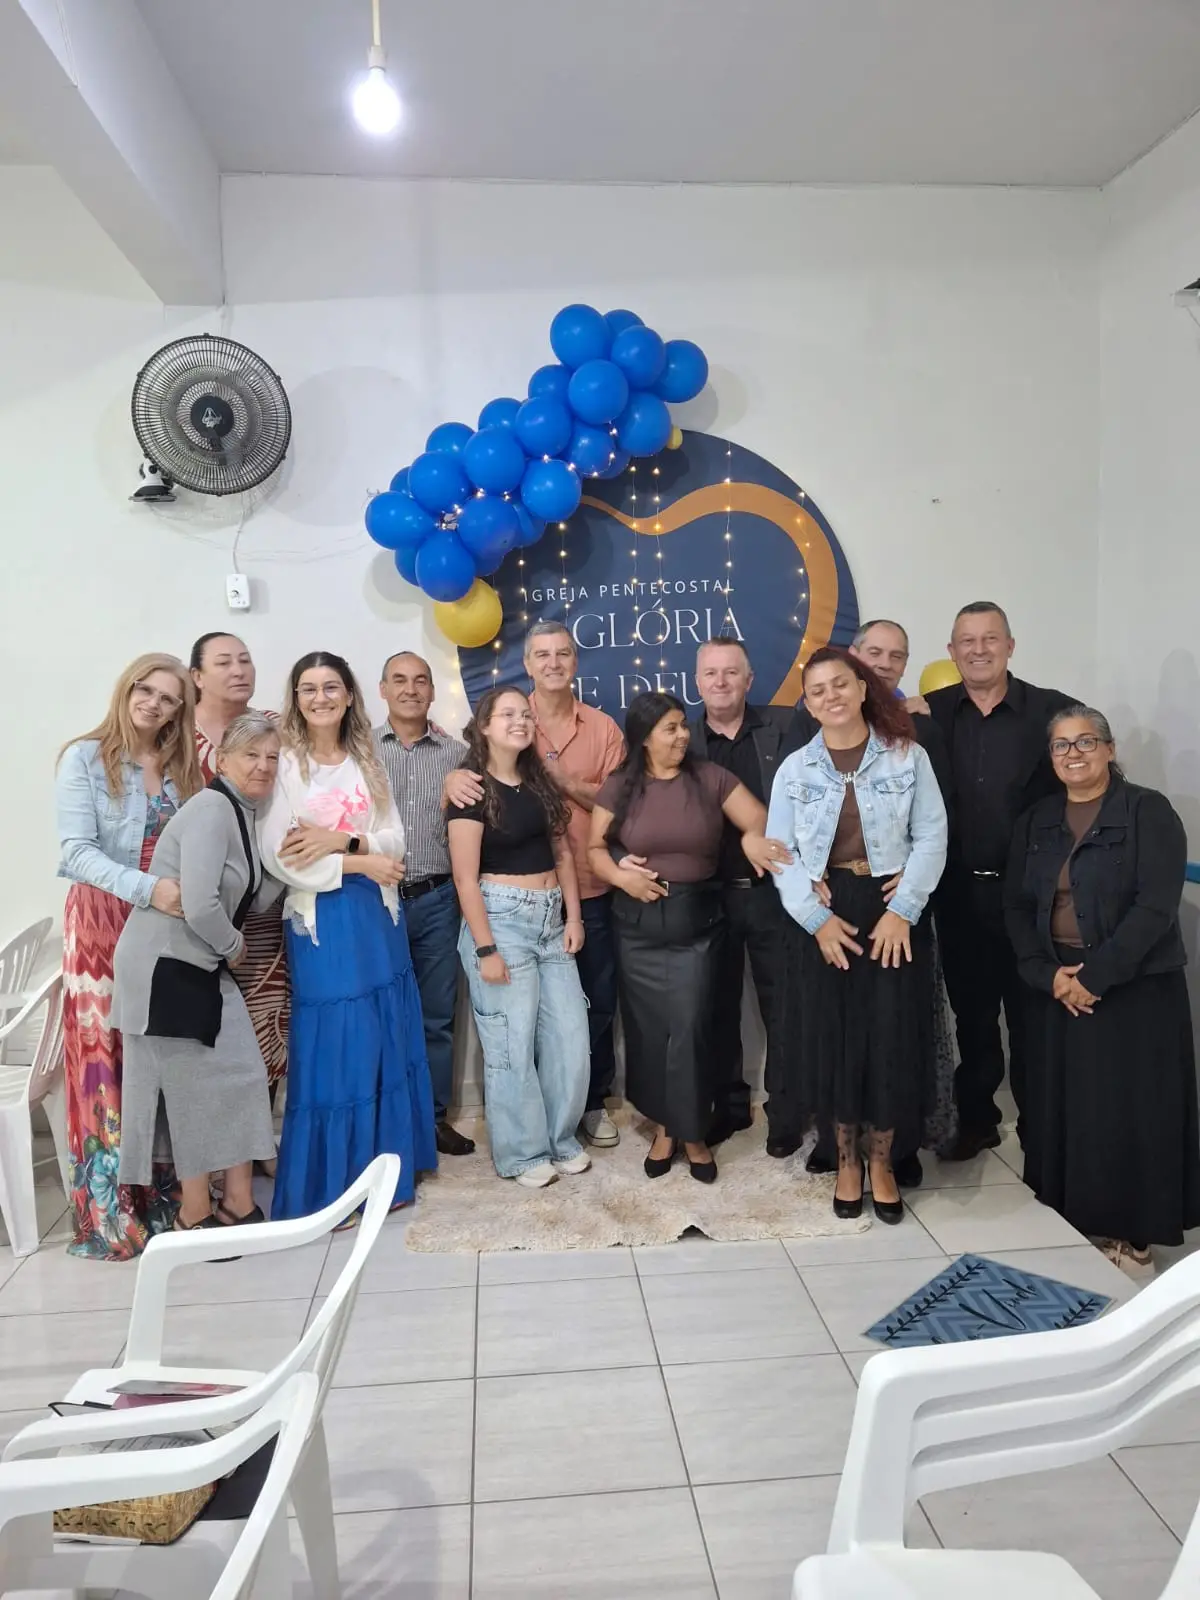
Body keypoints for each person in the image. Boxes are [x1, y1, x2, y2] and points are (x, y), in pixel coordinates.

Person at [1005, 707, 1200, 1269]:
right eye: (1062, 745)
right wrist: (1047, 974)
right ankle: (1079, 1222)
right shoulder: (1037, 820)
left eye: (1086, 742)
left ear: (1110, 750)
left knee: (1130, 1113)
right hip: (1057, 985)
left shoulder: (1147, 811)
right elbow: (1016, 905)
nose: (1074, 754)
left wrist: (1093, 978)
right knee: (1070, 1112)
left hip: (1134, 989)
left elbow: (1155, 907)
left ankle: (1134, 1236)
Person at [768, 648, 947, 1223]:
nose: (831, 697)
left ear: (863, 687)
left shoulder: (907, 756)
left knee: (890, 1038)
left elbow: (932, 836)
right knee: (836, 1040)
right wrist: (815, 920)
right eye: (817, 690)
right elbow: (780, 854)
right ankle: (845, 1160)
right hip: (827, 914)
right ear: (807, 702)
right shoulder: (795, 769)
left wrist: (906, 909)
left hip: (892, 909)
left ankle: (883, 1161)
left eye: (840, 684)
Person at [258, 651, 437, 1220]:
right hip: (323, 922)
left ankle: (388, 1175)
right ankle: (333, 1184)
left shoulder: (366, 757)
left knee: (382, 1037)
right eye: (309, 688)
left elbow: (396, 841)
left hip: (377, 916)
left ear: (350, 695)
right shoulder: (286, 766)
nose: (321, 698)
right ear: (296, 698)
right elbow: (281, 855)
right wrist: (361, 860)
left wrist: (342, 842)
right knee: (340, 1043)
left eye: (331, 687)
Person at [588, 692, 781, 1184]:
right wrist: (621, 877)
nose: (682, 736)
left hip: (698, 926)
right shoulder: (620, 786)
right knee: (649, 1033)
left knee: (691, 1031)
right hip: (636, 929)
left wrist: (752, 837)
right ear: (644, 737)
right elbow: (594, 849)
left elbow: (757, 817)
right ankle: (665, 1129)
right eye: (670, 728)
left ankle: (693, 1133)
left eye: (683, 726)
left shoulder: (710, 777)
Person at [445, 621, 625, 1148]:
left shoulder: (596, 734)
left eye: (562, 653)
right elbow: (465, 866)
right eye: (542, 655)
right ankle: (526, 1143)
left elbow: (612, 809)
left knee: (584, 1019)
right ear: (527, 665)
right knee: (515, 1035)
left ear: (575, 661)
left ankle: (579, 1118)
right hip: (506, 912)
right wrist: (485, 947)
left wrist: (564, 782)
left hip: (581, 897)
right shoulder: (488, 757)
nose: (553, 663)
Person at [55, 653, 203, 1259]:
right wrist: (148, 890)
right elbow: (75, 852)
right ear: (127, 688)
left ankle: (160, 1196)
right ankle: (110, 1212)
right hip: (101, 924)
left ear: (178, 711)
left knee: (155, 1059)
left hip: (161, 928)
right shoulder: (84, 758)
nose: (153, 704)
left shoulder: (181, 768)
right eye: (146, 690)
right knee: (103, 1063)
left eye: (168, 699)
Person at [112, 713, 281, 1229]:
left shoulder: (244, 814)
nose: (263, 765)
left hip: (198, 961)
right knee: (191, 1093)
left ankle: (237, 1202)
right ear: (222, 760)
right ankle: (194, 1212)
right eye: (251, 755)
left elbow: (249, 898)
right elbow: (201, 904)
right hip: (165, 965)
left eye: (272, 757)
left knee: (243, 1076)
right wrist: (235, 948)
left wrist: (289, 862)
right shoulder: (211, 808)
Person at [925, 603, 1074, 1159]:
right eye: (967, 641)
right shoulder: (931, 713)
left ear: (1011, 645)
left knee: (1035, 1017)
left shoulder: (1054, 712)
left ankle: (1043, 1129)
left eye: (990, 638)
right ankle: (978, 1119)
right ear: (951, 652)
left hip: (1033, 899)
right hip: (959, 894)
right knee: (973, 1017)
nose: (979, 649)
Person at [447, 686, 591, 1187]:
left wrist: (574, 918)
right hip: (500, 921)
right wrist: (486, 947)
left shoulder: (539, 784)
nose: (520, 721)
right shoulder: (470, 789)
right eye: (507, 714)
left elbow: (563, 854)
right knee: (511, 1044)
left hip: (551, 923)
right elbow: (464, 878)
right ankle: (524, 1154)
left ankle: (560, 1139)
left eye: (525, 714)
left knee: (570, 1038)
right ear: (484, 726)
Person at [689, 637, 799, 1154]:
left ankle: (786, 1112)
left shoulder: (788, 727)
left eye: (731, 672)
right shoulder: (681, 739)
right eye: (711, 673)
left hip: (773, 894)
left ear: (749, 680)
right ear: (697, 682)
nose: (721, 681)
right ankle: (728, 1108)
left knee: (785, 1008)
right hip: (708, 898)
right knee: (716, 1009)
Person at [374, 651, 475, 1156]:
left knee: (436, 1015)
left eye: (420, 681)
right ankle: (387, 1123)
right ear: (382, 690)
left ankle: (432, 1120)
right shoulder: (360, 751)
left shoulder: (458, 755)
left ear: (433, 692)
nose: (410, 689)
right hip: (376, 901)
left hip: (438, 899)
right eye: (399, 680)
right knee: (382, 1016)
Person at [190, 633, 289, 1104]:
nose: (238, 670)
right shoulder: (176, 734)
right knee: (203, 1034)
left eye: (245, 660)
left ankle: (256, 1137)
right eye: (224, 662)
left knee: (265, 1019)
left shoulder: (274, 726)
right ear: (197, 676)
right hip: (197, 903)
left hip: (264, 901)